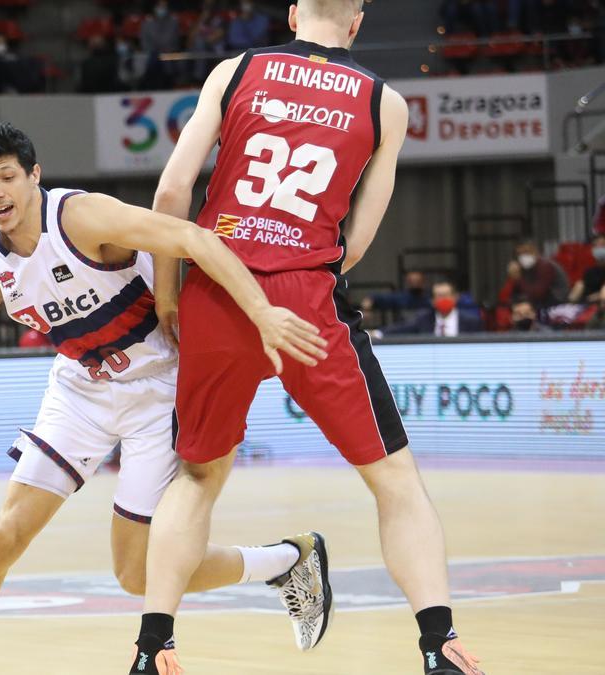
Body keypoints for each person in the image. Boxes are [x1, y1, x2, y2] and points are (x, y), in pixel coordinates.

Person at [131, 2, 486, 674]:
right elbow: (358, 241)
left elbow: (173, 192)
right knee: (395, 481)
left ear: (293, 12)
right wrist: (304, 267)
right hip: (307, 303)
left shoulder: (237, 71)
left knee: (197, 478)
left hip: (216, 288)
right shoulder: (385, 103)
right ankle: (439, 643)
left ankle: (154, 647)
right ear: (357, 23)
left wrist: (172, 294)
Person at [0, 123, 329, 675]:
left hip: (158, 389)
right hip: (81, 389)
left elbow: (192, 237)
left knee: (136, 574)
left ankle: (288, 560)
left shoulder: (81, 218)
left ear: (34, 176)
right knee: (4, 533)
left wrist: (253, 310)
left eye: (7, 177)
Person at [378, 282, 484, 337]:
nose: (443, 299)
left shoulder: (472, 321)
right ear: (433, 301)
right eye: (439, 296)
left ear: (455, 297)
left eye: (446, 295)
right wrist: (379, 333)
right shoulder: (423, 319)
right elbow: (401, 328)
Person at [507, 239, 569, 309]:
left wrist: (518, 278)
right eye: (519, 254)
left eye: (526, 252)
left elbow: (537, 294)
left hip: (555, 303)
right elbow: (509, 295)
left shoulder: (545, 266)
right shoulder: (523, 267)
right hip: (535, 301)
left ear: (535, 251)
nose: (523, 256)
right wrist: (512, 278)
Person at [568, 234, 605, 303]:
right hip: (587, 300)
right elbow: (584, 286)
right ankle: (569, 307)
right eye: (596, 245)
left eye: (602, 245)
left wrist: (597, 295)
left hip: (601, 299)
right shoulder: (590, 271)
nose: (599, 248)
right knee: (579, 284)